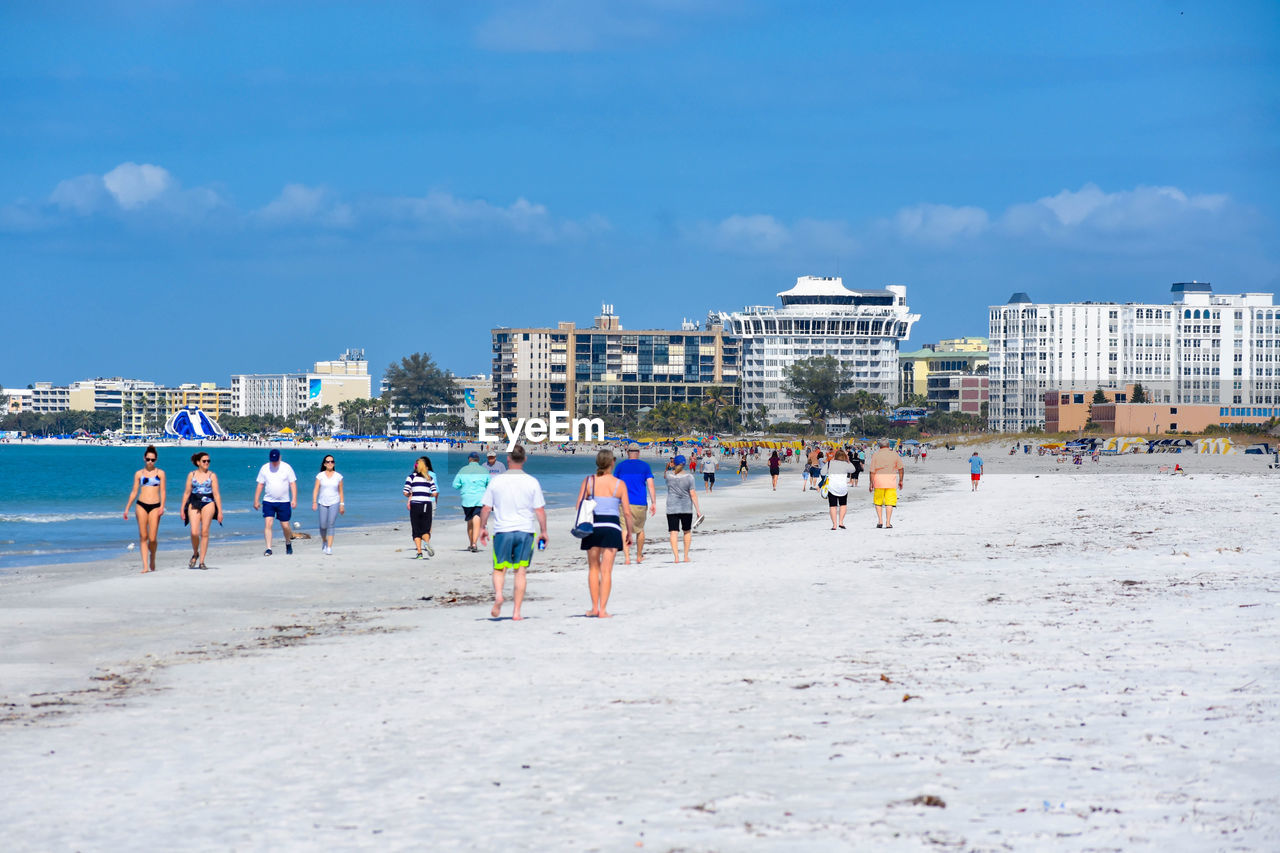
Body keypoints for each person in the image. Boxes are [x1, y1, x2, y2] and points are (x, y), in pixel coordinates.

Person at [477, 445, 547, 621]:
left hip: (502, 531)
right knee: (520, 571)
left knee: (499, 568)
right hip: (525, 531)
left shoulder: (496, 481)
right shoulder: (532, 481)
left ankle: (499, 595)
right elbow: (539, 510)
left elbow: (486, 508)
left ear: (508, 459)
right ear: (524, 460)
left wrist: (482, 527)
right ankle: (516, 612)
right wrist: (544, 531)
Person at [575, 450, 632, 618]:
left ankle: (594, 607)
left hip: (592, 526)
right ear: (612, 462)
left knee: (594, 568)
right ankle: (603, 610)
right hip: (612, 528)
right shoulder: (619, 484)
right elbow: (627, 513)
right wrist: (629, 533)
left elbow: (579, 505)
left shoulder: (589, 481)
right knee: (607, 571)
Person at [123, 445, 166, 573]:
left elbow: (163, 491)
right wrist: (126, 509)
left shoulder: (160, 473)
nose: (150, 462)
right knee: (143, 536)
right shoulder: (139, 474)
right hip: (141, 504)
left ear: (156, 460)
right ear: (144, 459)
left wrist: (162, 506)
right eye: (148, 459)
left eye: (152, 460)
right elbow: (134, 492)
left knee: (152, 538)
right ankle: (145, 566)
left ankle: (152, 556)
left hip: (155, 506)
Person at [614, 445, 656, 565]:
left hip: (623, 502)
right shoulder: (645, 466)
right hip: (639, 503)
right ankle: (638, 556)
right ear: (638, 452)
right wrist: (654, 502)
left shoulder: (620, 466)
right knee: (640, 529)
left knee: (624, 529)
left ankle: (627, 558)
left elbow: (615, 485)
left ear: (627, 452)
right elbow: (650, 485)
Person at [181, 451, 222, 570]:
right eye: (204, 461)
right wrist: (182, 508)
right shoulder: (192, 474)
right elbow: (187, 492)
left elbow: (216, 494)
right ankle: (195, 553)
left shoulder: (212, 475)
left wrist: (220, 511)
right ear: (198, 462)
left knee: (204, 532)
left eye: (208, 461)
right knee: (194, 532)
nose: (207, 463)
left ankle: (202, 561)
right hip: (194, 502)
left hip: (208, 502)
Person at [253, 448, 298, 556]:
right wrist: (256, 500)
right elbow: (260, 484)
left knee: (285, 526)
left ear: (280, 458)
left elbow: (292, 484)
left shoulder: (287, 468)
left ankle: (288, 542)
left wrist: (294, 499)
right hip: (268, 501)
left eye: (276, 460)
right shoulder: (265, 468)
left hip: (284, 501)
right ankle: (269, 548)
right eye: (272, 460)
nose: (274, 462)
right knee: (268, 523)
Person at [663, 454, 701, 562]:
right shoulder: (689, 477)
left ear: (673, 463)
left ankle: (676, 557)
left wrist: (668, 466)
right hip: (686, 508)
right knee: (687, 531)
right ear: (685, 464)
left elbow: (665, 474)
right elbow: (693, 494)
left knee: (673, 532)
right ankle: (685, 556)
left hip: (672, 507)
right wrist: (698, 510)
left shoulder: (669, 476)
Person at [453, 451, 491, 553]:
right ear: (478, 460)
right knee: (477, 519)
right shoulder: (484, 470)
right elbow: (489, 485)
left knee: (470, 521)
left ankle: (471, 544)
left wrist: (463, 486)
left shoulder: (463, 470)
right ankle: (474, 544)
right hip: (480, 498)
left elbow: (455, 485)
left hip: (467, 499)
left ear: (469, 459)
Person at [403, 455, 439, 558]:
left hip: (415, 505)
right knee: (425, 529)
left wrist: (410, 494)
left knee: (416, 529)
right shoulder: (429, 478)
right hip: (427, 505)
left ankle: (419, 553)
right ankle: (426, 543)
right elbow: (435, 493)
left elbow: (405, 492)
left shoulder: (411, 477)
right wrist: (428, 494)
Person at [867, 438, 905, 528]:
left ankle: (880, 521)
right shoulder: (894, 454)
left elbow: (872, 471)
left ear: (879, 446)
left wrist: (871, 483)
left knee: (878, 501)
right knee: (889, 502)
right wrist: (901, 480)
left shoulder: (876, 455)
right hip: (890, 481)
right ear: (888, 445)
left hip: (878, 480)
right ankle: (888, 523)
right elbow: (901, 468)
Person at [311, 454, 345, 554]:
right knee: (322, 525)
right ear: (324, 464)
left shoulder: (338, 476)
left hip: (334, 502)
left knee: (331, 524)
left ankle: (329, 547)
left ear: (334, 463)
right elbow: (316, 489)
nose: (330, 463)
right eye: (328, 462)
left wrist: (342, 504)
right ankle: (324, 541)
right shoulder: (320, 476)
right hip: (322, 502)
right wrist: (314, 502)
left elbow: (341, 491)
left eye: (332, 461)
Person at [821, 448, 857, 530]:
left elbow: (822, 472)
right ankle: (841, 522)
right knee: (843, 505)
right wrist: (848, 461)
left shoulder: (830, 463)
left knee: (833, 506)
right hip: (842, 487)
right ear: (844, 456)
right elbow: (853, 470)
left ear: (835, 456)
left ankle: (834, 525)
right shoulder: (846, 464)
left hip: (832, 487)